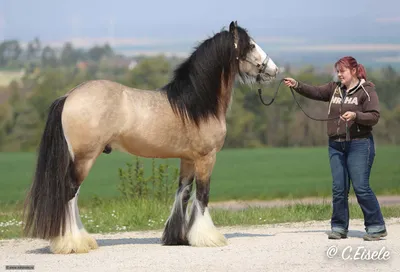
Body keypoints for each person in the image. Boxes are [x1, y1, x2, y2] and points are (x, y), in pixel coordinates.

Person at [283, 56, 387, 241]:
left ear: (353, 71)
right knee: (339, 188)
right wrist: (297, 84)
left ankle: (376, 226)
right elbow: (315, 91)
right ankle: (339, 227)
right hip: (336, 145)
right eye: (338, 71)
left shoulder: (366, 90)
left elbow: (374, 116)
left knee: (361, 187)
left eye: (343, 71)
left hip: (359, 144)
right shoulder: (334, 89)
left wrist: (356, 115)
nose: (339, 75)